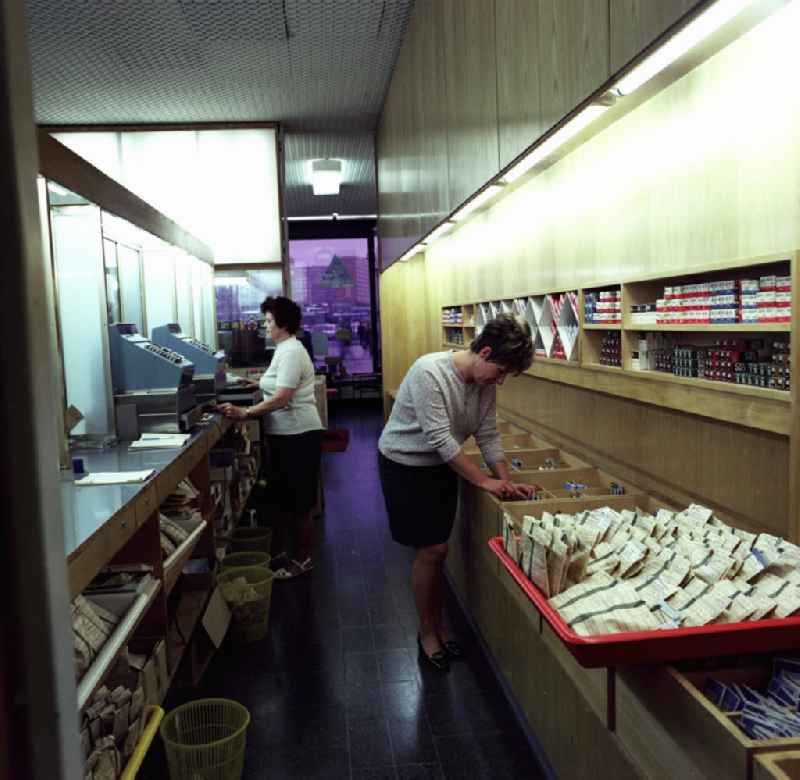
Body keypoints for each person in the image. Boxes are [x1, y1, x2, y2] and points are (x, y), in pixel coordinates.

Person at [378, 314, 536, 671]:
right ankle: (427, 631)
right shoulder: (429, 372)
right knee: (432, 549)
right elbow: (440, 439)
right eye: (501, 371)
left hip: (441, 468)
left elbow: (488, 434)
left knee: (436, 552)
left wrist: (505, 481)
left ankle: (437, 624)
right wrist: (483, 480)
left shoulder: (485, 385)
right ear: (483, 352)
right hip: (404, 465)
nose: (501, 381)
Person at [219, 296, 323, 579]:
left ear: (283, 324)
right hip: (286, 435)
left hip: (299, 435)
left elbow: (281, 398)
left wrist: (245, 412)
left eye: (268, 321)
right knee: (286, 499)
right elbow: (277, 384)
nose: (264, 326)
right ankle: (288, 555)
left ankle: (302, 560)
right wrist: (253, 383)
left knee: (300, 503)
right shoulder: (283, 349)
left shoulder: (291, 351)